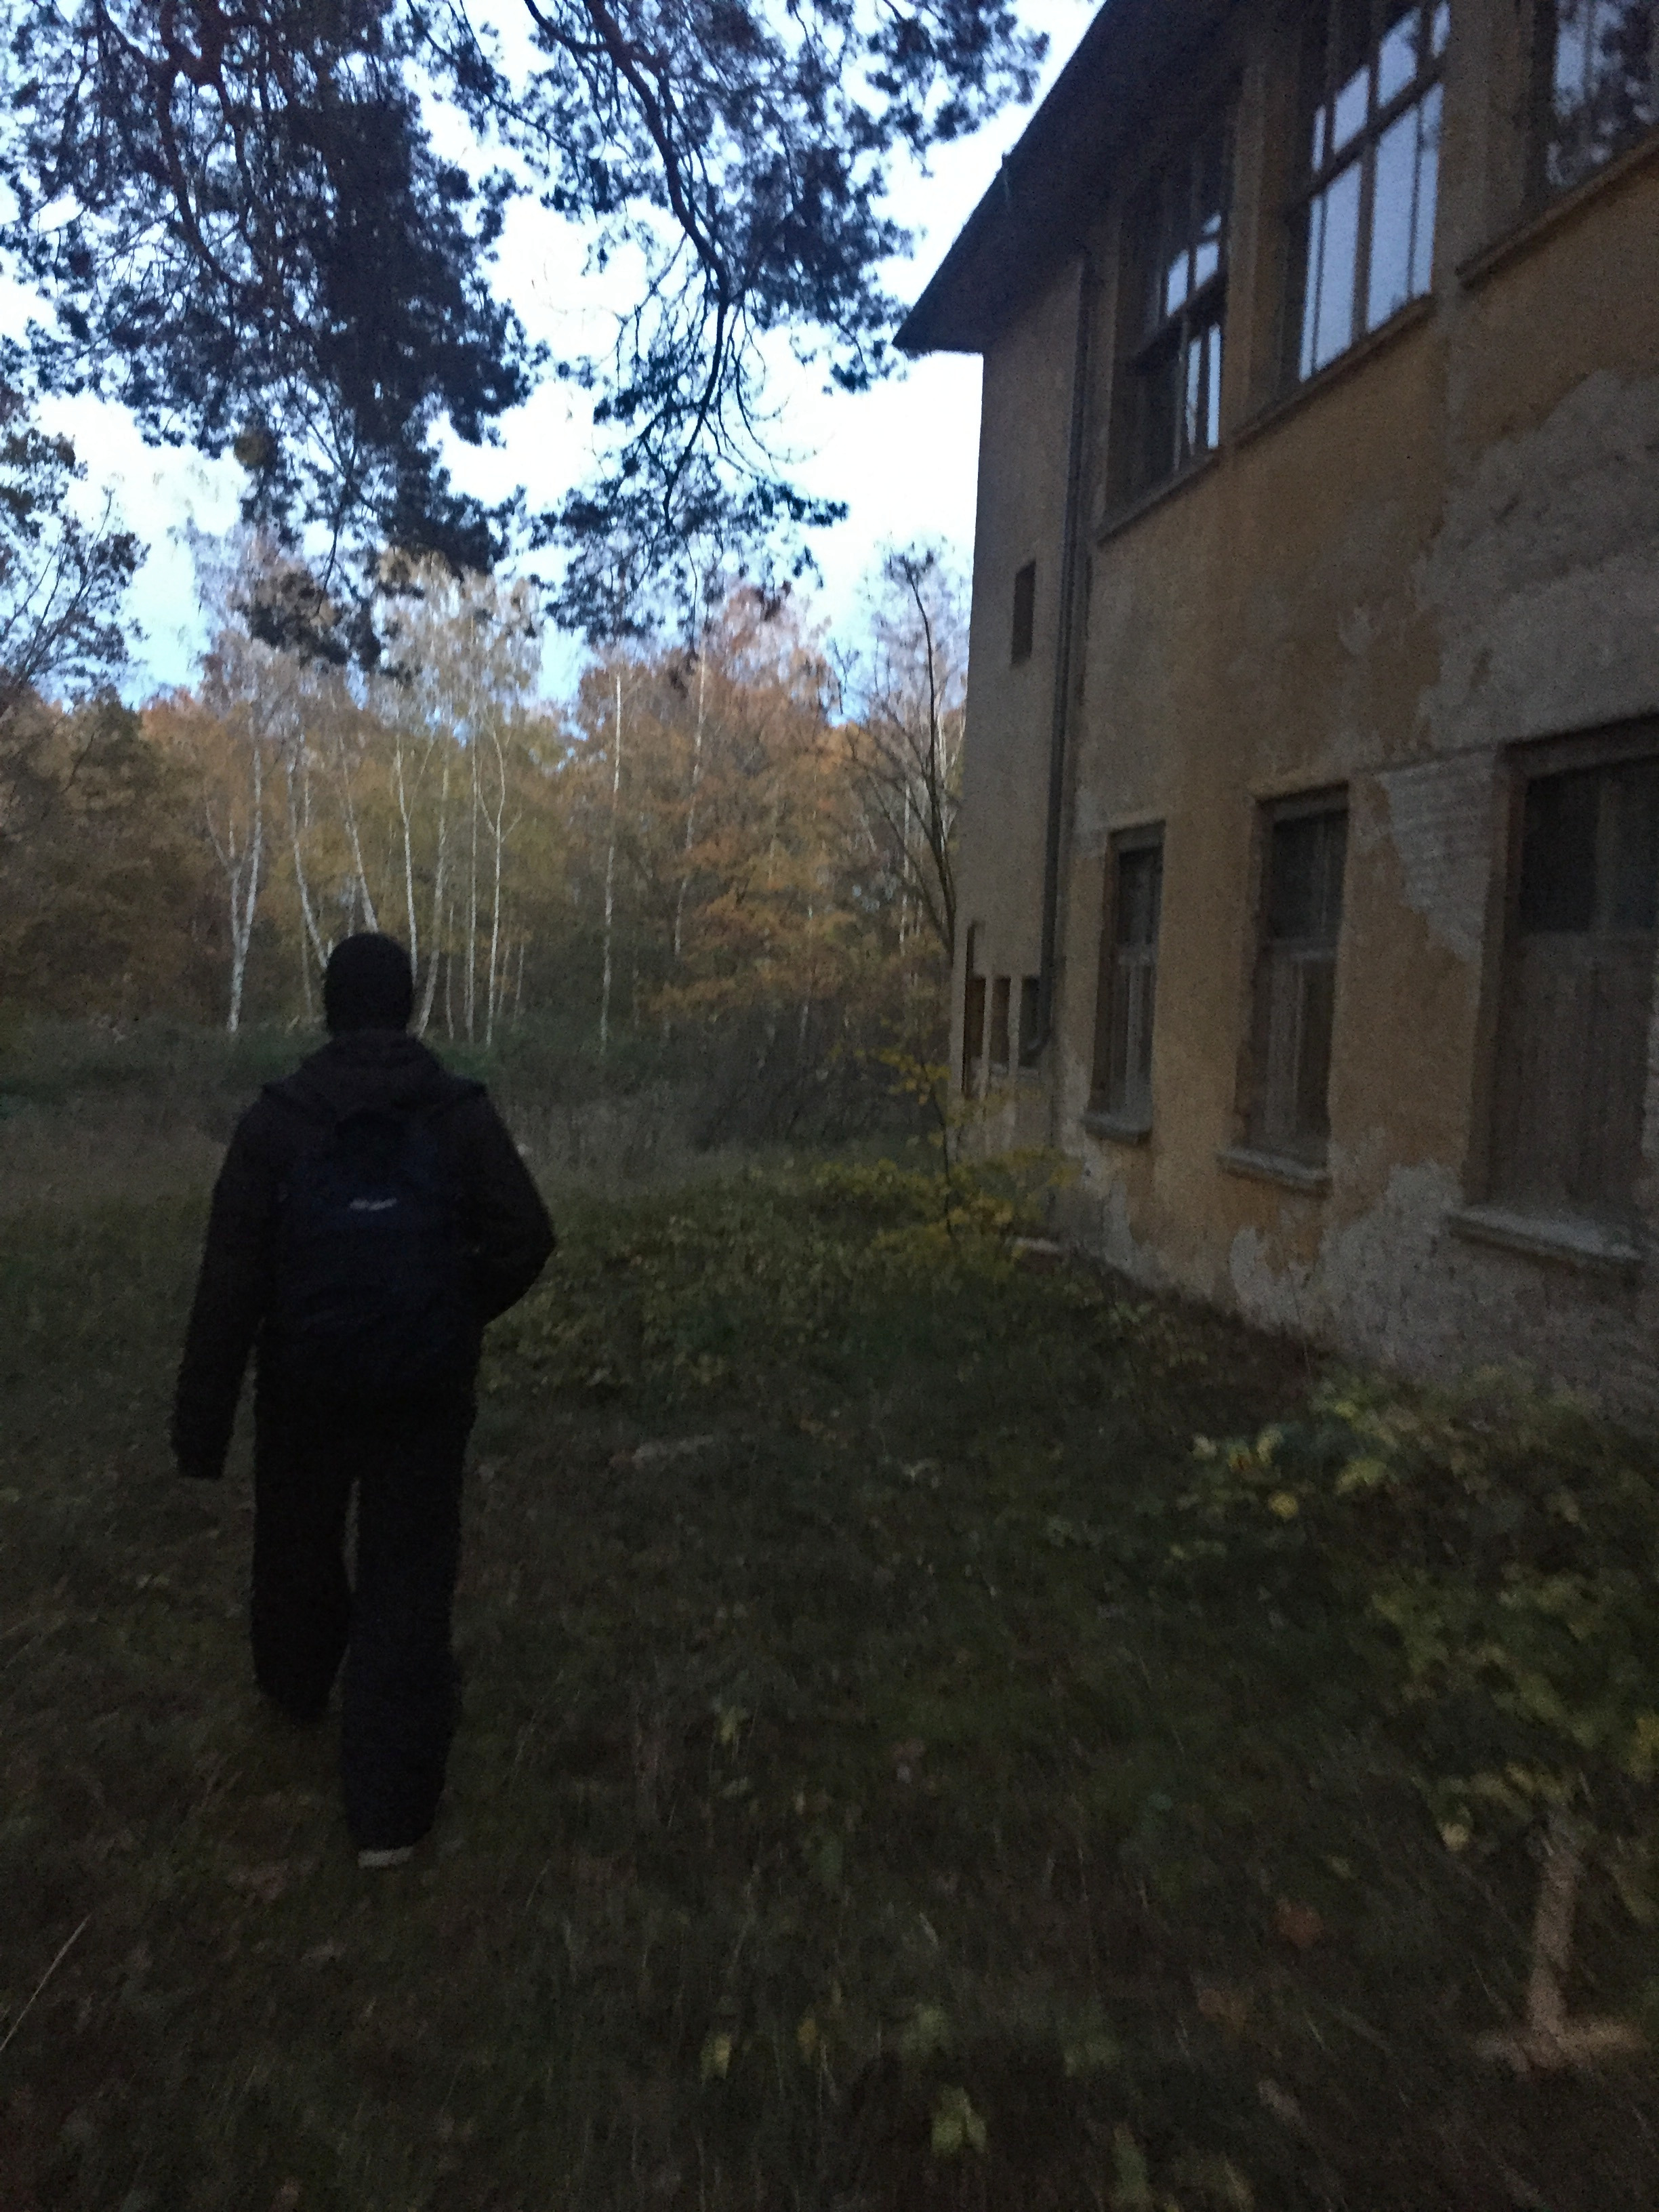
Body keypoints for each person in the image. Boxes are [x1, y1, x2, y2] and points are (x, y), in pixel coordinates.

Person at [171, 933, 554, 1867]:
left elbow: (230, 1280)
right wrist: (455, 1310)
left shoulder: (279, 1121)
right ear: (410, 1004)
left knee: (296, 1542)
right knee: (408, 1577)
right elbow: (527, 1236)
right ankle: (389, 1819)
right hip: (423, 1388)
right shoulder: (457, 1113)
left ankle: (298, 1690)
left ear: (329, 1006)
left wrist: (201, 1427)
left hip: (302, 1382)